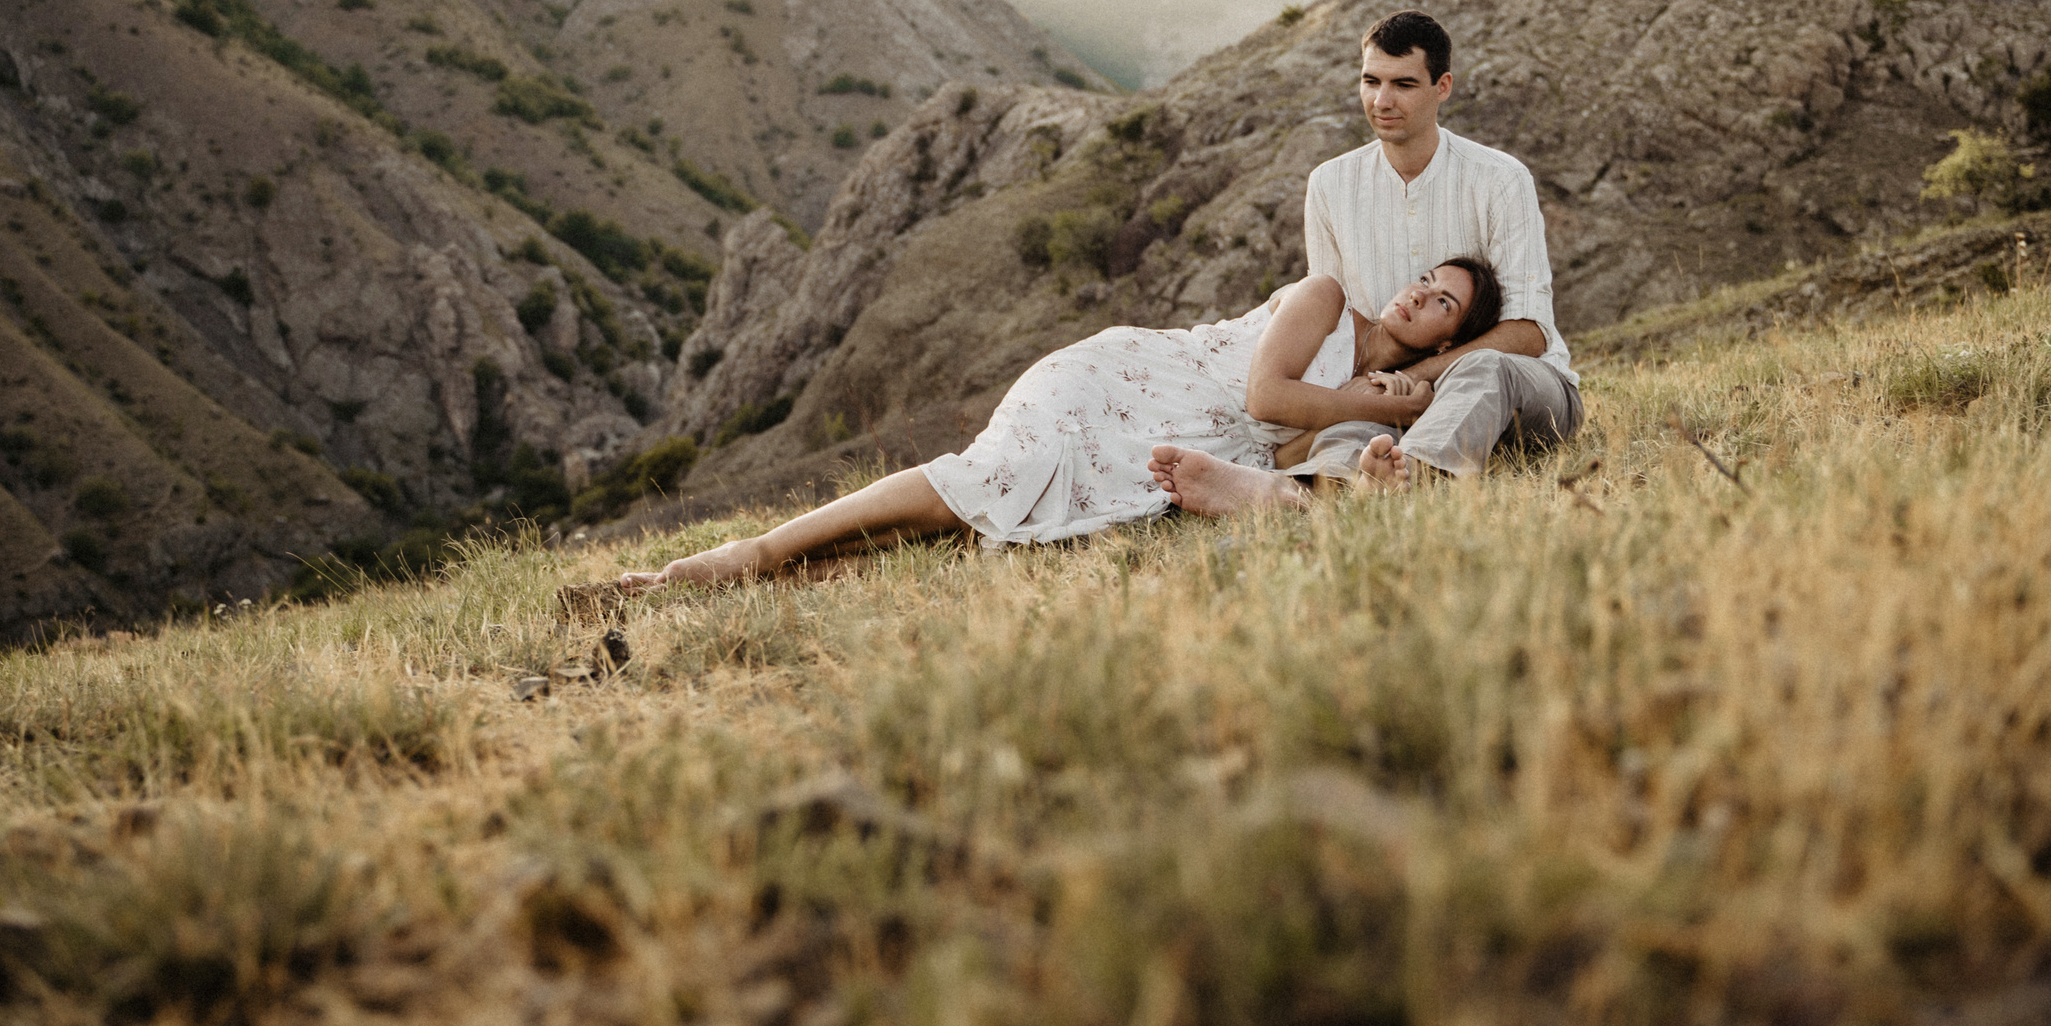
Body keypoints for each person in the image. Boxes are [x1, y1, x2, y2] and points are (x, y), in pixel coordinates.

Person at [619, 258, 1501, 588]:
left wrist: (1401, 394)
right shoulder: (1328, 296)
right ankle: (746, 555)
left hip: (1190, 434)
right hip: (1121, 380)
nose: (1418, 291)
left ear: (1448, 335)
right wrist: (1368, 396)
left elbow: (1282, 442)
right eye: (1425, 276)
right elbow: (1269, 395)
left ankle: (779, 573)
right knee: (986, 478)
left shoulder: (1382, 389)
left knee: (973, 529)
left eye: (1441, 302)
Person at [1151, 10, 1580, 515]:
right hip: (1390, 403)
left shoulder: (1500, 179)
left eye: (1403, 84)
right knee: (1350, 430)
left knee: (1483, 367)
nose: (1382, 101)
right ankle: (1299, 498)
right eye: (1371, 81)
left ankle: (1406, 480)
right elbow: (1336, 340)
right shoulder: (1330, 185)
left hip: (1519, 392)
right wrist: (1375, 398)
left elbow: (1529, 332)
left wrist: (1415, 380)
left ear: (1442, 87)